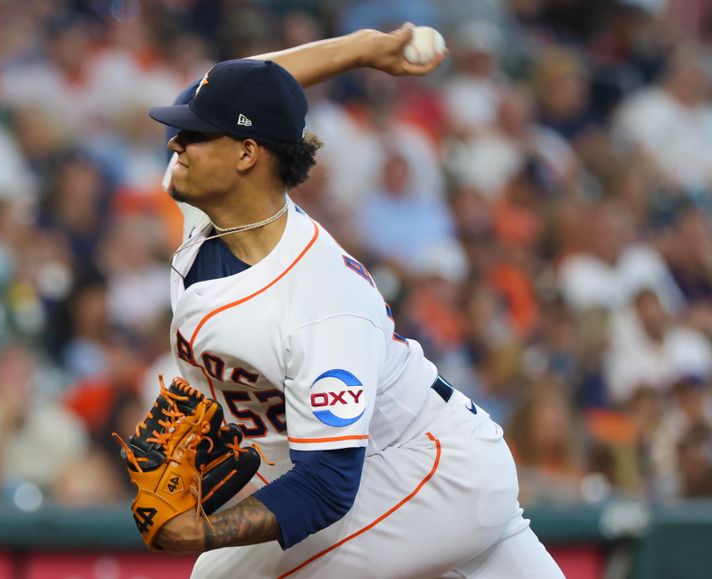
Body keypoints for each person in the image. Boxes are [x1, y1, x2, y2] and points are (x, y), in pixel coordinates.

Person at [146, 24, 564, 578]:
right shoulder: (210, 207)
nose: (176, 143)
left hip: (432, 470)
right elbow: (244, 88)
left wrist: (201, 532)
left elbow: (326, 487)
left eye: (194, 136)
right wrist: (364, 49)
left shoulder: (322, 298)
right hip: (375, 458)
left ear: (247, 154)